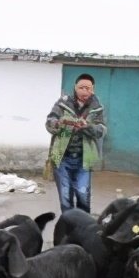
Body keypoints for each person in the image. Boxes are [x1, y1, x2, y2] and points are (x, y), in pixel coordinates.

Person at [45, 73, 107, 214]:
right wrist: (59, 123)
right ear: (75, 87)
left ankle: (83, 227)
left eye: (88, 88)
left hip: (84, 159)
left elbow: (101, 130)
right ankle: (68, 229)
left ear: (93, 89)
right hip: (62, 158)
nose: (85, 91)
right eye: (82, 87)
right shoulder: (62, 103)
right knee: (65, 197)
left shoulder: (96, 107)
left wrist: (87, 127)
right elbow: (49, 123)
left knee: (83, 196)